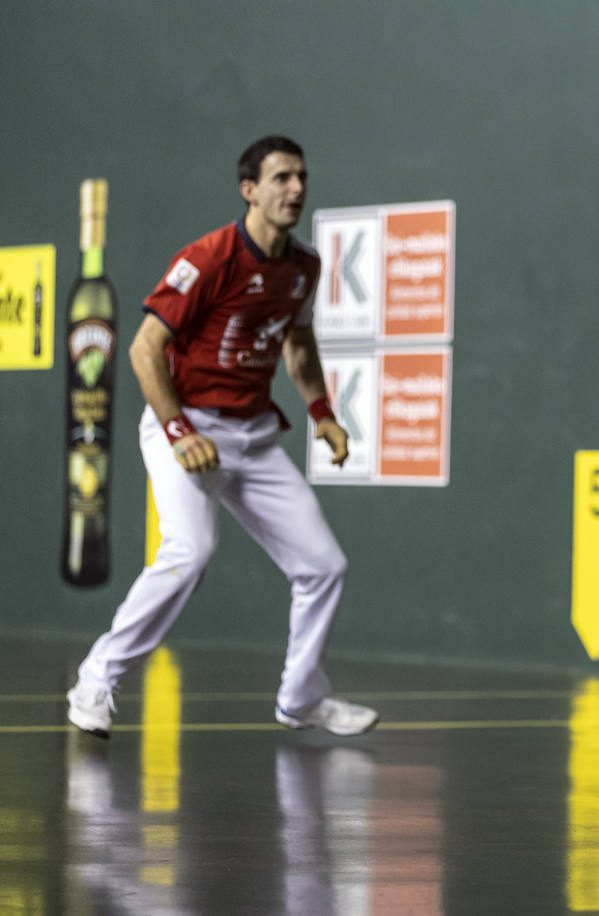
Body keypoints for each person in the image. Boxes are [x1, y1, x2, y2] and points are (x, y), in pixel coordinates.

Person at [66, 136, 379, 739]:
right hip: (186, 426)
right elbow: (143, 349)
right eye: (282, 178)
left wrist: (322, 412)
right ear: (250, 190)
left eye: (301, 177)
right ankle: (97, 678)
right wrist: (179, 430)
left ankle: (301, 698)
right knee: (190, 552)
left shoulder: (303, 267)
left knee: (323, 566)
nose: (296, 189)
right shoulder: (208, 259)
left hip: (254, 438)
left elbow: (297, 343)